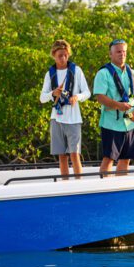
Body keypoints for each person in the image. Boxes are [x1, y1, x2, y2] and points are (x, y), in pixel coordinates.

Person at [92, 38, 134, 176]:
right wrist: (118, 105)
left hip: (130, 123)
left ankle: (120, 186)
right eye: (118, 52)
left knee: (126, 159)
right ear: (110, 54)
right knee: (108, 158)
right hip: (111, 124)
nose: (122, 54)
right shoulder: (103, 73)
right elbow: (100, 97)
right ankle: (104, 186)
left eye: (124, 51)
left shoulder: (133, 73)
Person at [39, 39, 90, 179]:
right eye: (60, 55)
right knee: (62, 156)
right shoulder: (50, 74)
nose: (63, 58)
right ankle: (65, 184)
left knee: (75, 154)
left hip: (74, 119)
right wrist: (53, 93)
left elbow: (87, 92)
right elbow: (42, 98)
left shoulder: (76, 70)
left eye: (66, 55)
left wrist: (77, 97)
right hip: (56, 118)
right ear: (54, 55)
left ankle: (79, 185)